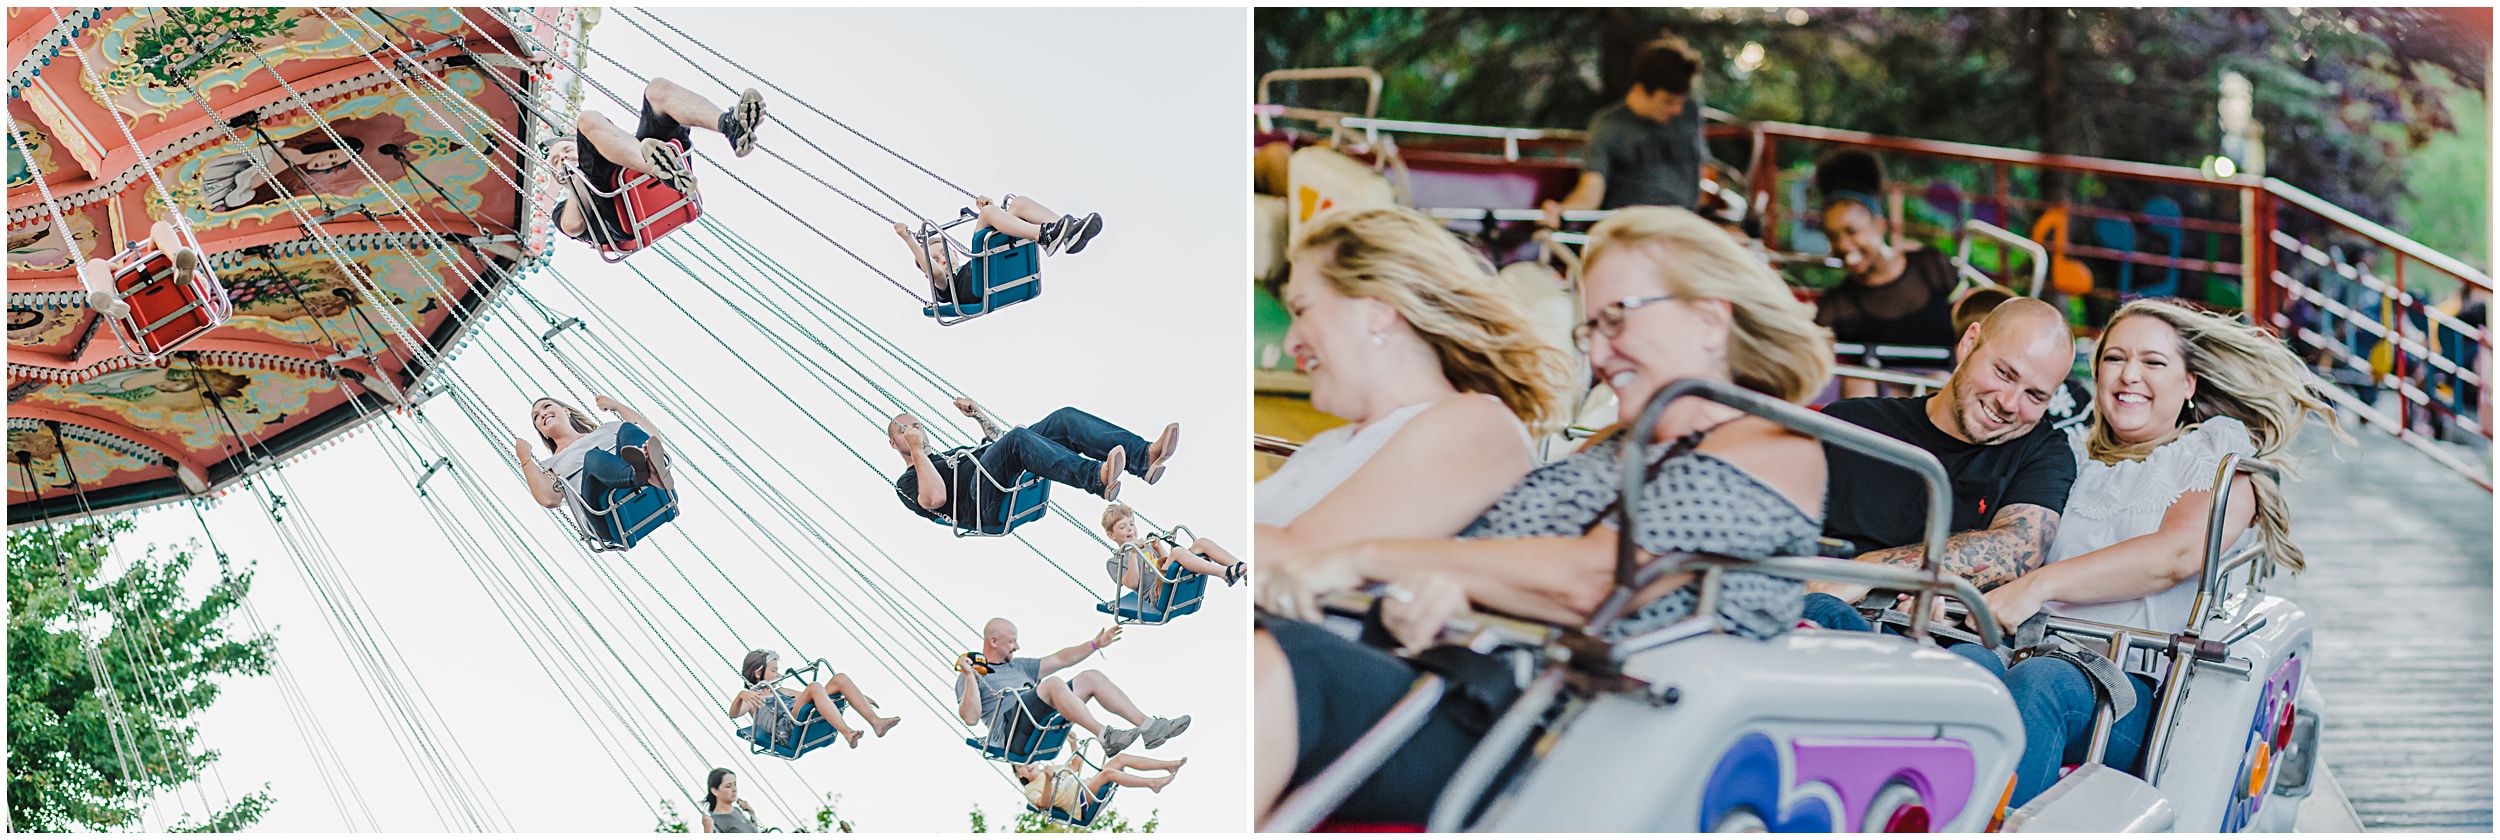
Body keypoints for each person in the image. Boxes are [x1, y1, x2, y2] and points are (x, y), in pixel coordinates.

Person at [1254, 206, 1834, 825]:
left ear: (1710, 319)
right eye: (1591, 331)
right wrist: (1431, 592)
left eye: (1617, 319)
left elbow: (1594, 580)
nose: (1602, 352)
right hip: (1483, 690)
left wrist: (1363, 558)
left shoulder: (1772, 443)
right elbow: (1502, 565)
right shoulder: (1613, 444)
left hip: (1579, 733)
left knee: (1294, 661)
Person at [1967, 298, 2339, 807]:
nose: (2128, 375)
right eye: (2114, 359)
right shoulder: (2068, 455)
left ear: (2189, 384)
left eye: (2153, 362)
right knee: (1964, 668)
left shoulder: (2213, 454)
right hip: (2023, 648)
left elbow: (2176, 555)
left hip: (2131, 686)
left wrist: (2038, 586)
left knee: (2043, 684)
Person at [1255, 206, 1574, 569]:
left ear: (1377, 311)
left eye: (1302, 310)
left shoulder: (1472, 427)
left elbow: (1307, 559)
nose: (1290, 343)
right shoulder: (1334, 444)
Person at [1798, 297, 2079, 627]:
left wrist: (1870, 572)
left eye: (2035, 396)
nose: (2008, 403)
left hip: (1951, 641)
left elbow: (2018, 548)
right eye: (2003, 373)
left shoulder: (2043, 451)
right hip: (1823, 621)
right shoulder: (1849, 424)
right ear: (1969, 342)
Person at [890, 399, 1178, 531]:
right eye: (903, 430)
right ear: (894, 443)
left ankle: (1144, 457)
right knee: (1017, 439)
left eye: (916, 426)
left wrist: (979, 416)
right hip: (981, 504)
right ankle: (1097, 478)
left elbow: (1001, 444)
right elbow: (935, 498)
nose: (913, 430)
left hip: (997, 479)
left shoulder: (951, 454)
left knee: (1062, 419)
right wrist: (917, 450)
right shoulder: (908, 482)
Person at [1810, 150, 1961, 395]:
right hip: (1883, 398)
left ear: (1880, 225)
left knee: (1938, 384)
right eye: (1833, 236)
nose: (1843, 245)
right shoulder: (1837, 304)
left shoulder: (1931, 267)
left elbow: (1971, 318)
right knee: (1858, 385)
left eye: (1852, 231)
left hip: (1941, 386)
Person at [551, 77, 767, 248]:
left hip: (642, 155)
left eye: (567, 150)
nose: (562, 158)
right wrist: (577, 178)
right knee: (587, 119)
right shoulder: (564, 208)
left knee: (657, 90)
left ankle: (730, 126)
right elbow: (572, 226)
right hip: (618, 208)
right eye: (555, 161)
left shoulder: (601, 141)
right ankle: (658, 167)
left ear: (581, 148)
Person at [957, 619, 1190, 757]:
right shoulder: (972, 676)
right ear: (993, 642)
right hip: (1011, 734)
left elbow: (1060, 659)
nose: (1016, 646)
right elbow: (970, 717)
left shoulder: (1020, 666)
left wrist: (1094, 645)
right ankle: (1105, 736)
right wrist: (969, 676)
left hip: (1038, 721)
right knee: (1053, 684)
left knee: (1091, 677)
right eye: (1011, 641)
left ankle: (1149, 727)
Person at [1540, 35, 1708, 223]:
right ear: (1641, 90)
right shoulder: (1608, 125)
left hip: (1686, 224)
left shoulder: (1689, 112)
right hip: (1631, 228)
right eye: (1668, 101)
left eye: (1681, 101)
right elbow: (1593, 186)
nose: (1677, 110)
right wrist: (1563, 212)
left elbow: (1703, 171)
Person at [892, 195, 1103, 306]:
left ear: (954, 254)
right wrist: (908, 238)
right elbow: (936, 272)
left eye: (944, 254)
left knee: (1018, 203)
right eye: (936, 259)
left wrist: (990, 210)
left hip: (998, 269)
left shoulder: (973, 265)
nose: (942, 261)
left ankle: (1069, 233)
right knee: (989, 214)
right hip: (982, 289)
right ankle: (1044, 235)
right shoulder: (947, 287)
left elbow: (995, 236)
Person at [514, 395, 673, 526]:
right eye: (536, 417)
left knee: (627, 428)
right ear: (543, 433)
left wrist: (616, 406)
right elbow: (549, 499)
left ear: (566, 411)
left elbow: (652, 437)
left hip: (647, 493)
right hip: (606, 515)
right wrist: (525, 459)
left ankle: (648, 469)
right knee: (593, 457)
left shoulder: (607, 429)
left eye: (547, 406)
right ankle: (641, 474)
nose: (542, 414)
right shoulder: (550, 465)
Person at [727, 648, 901, 753]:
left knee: (839, 679)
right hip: (785, 730)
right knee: (814, 687)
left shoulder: (781, 690)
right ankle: (848, 733)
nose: (778, 675)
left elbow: (816, 696)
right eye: (773, 671)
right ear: (758, 673)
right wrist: (742, 695)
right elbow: (733, 713)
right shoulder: (753, 699)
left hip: (797, 718)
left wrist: (857, 697)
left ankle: (876, 722)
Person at [1102, 504, 1247, 601]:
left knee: (1201, 543)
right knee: (1177, 552)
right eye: (1122, 527)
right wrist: (1133, 553)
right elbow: (1132, 583)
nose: (1130, 529)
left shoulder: (1145, 546)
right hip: (1156, 594)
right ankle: (1224, 573)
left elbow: (1165, 563)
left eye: (1131, 524)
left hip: (1168, 580)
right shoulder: (1114, 562)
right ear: (1111, 535)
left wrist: (1158, 547)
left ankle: (1243, 568)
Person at [78, 220, 200, 320]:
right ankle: (110, 300)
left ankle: (178, 262)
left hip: (144, 309)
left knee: (97, 265)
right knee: (96, 264)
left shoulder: (148, 256)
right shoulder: (146, 257)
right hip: (172, 288)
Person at [1015, 751, 1186, 816]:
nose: (1027, 765)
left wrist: (1073, 743)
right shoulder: (1030, 789)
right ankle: (1153, 783)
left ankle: (1167, 765)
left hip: (1086, 785)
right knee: (1108, 774)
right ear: (1018, 774)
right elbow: (1044, 804)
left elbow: (1075, 766)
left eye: (1028, 761)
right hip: (1078, 801)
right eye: (1021, 766)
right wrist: (1048, 781)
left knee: (1120, 759)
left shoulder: (1052, 767)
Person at [698, 768, 760, 833]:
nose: (734, 789)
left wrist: (752, 814)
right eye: (728, 786)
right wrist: (708, 831)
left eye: (735, 784)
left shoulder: (737, 811)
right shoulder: (714, 821)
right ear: (715, 791)